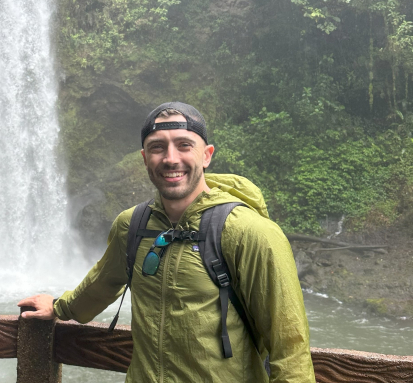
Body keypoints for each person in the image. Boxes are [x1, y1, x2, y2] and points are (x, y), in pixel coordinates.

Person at [18, 102, 316, 382]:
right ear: (145, 158)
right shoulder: (132, 225)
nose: (171, 158)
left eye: (184, 145)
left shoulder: (250, 232)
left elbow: (290, 347)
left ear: (206, 155)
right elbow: (102, 283)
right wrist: (58, 307)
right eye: (157, 147)